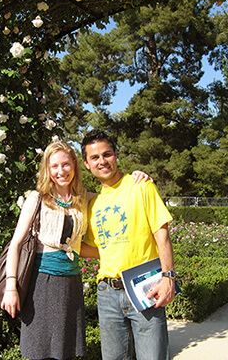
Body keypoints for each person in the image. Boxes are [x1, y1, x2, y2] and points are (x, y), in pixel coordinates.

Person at [1, 140, 152, 360]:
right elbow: (16, 244)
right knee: (40, 351)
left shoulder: (84, 199)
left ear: (74, 164)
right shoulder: (37, 199)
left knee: (65, 351)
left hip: (71, 282)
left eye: (65, 164)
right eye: (54, 166)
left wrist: (136, 178)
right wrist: (11, 287)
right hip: (42, 284)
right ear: (47, 169)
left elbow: (114, 194)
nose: (61, 171)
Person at [80, 129, 176, 360]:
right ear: (86, 164)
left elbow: (161, 235)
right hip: (107, 294)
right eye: (95, 157)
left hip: (145, 289)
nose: (102, 161)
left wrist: (169, 278)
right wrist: (64, 244)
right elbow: (100, 250)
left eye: (107, 154)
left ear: (116, 156)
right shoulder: (93, 204)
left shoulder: (141, 186)